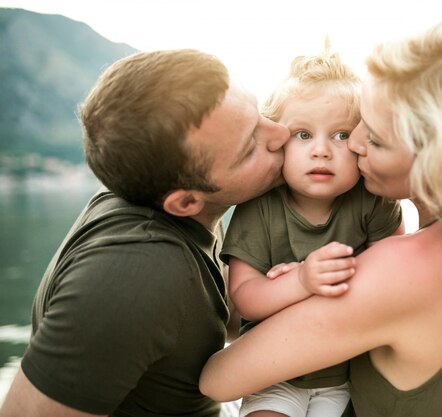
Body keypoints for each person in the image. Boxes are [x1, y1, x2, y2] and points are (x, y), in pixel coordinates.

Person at [200, 21, 442, 417]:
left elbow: (218, 379)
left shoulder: (397, 269)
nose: (354, 144)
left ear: (437, 161)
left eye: (373, 138)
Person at [0, 49, 289, 417]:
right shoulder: (135, 272)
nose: (281, 133)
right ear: (185, 202)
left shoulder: (158, 208)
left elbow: (216, 321)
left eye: (260, 112)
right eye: (251, 146)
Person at [220, 49, 404, 417]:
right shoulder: (260, 207)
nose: (321, 151)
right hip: (274, 373)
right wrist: (302, 281)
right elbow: (244, 298)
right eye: (303, 134)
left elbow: (398, 277)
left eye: (340, 135)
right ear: (278, 142)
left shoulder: (373, 202)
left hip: (350, 373)